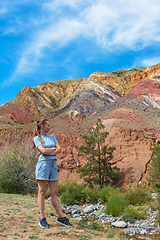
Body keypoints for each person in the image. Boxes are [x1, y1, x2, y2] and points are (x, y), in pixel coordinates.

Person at [33, 119, 72, 228]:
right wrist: (53, 149)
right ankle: (42, 218)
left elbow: (59, 149)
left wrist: (50, 150)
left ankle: (61, 218)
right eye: (48, 125)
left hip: (53, 165)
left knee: (55, 191)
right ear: (42, 126)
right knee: (42, 191)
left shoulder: (52, 137)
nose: (50, 127)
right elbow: (43, 152)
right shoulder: (37, 138)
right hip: (43, 165)